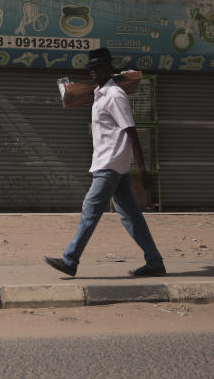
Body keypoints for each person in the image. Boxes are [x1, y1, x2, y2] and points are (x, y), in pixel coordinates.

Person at [44, 47, 166, 277]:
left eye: (98, 66)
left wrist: (142, 169)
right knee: (131, 215)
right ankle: (154, 262)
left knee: (90, 209)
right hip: (110, 164)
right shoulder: (98, 95)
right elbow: (109, 128)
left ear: (109, 68)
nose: (93, 71)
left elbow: (130, 130)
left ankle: (70, 260)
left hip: (110, 164)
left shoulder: (114, 95)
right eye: (91, 67)